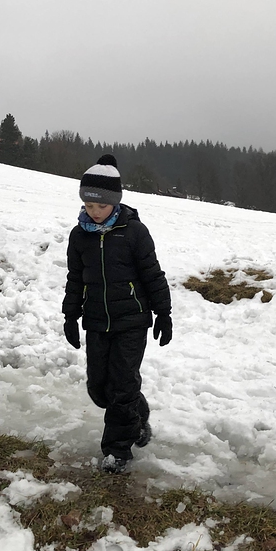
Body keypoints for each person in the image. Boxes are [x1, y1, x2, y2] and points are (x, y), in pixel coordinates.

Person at [62, 154, 172, 474]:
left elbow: (153, 275)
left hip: (132, 321)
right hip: (96, 321)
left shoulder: (134, 233)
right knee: (100, 389)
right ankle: (137, 415)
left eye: (100, 206)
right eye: (88, 206)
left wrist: (163, 313)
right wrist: (70, 316)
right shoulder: (79, 236)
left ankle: (117, 450)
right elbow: (75, 280)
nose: (94, 212)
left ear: (115, 202)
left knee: (122, 386)